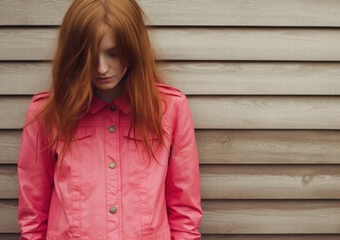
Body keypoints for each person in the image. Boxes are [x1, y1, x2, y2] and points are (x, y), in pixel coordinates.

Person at [17, 0, 202, 239]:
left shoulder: (170, 109)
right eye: (89, 55)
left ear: (132, 48)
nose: (101, 68)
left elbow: (184, 212)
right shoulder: (46, 113)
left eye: (113, 54)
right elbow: (33, 214)